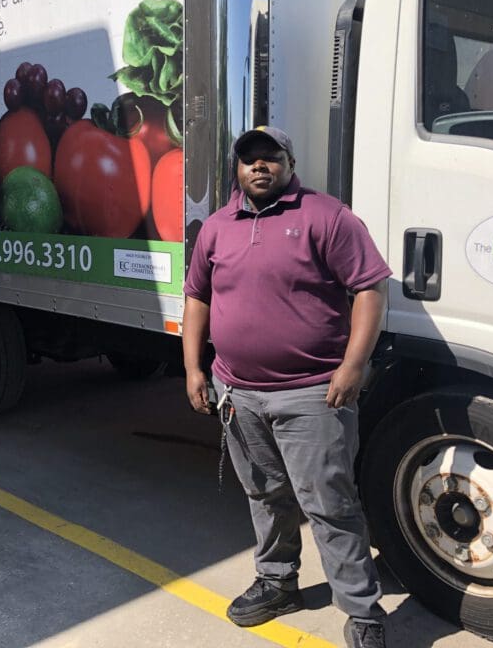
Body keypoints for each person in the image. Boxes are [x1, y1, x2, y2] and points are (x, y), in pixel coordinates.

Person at [182, 126, 391, 648]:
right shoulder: (217, 227)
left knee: (329, 504)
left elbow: (370, 288)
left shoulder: (328, 217)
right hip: (238, 393)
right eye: (249, 158)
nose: (259, 165)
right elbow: (197, 297)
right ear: (237, 168)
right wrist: (193, 369)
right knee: (265, 493)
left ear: (289, 163)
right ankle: (277, 583)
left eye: (270, 157)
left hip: (313, 394)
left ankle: (362, 611)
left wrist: (353, 366)